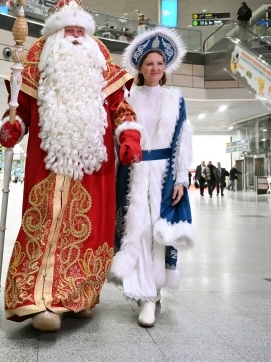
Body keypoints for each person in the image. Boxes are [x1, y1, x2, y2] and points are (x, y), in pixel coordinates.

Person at [0, 0, 142, 332]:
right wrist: (12, 127)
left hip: (95, 170)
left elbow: (122, 109)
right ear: (54, 35)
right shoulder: (36, 66)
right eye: (68, 29)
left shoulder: (103, 65)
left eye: (80, 29)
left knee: (92, 231)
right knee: (44, 226)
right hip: (48, 165)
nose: (75, 35)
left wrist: (130, 137)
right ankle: (43, 302)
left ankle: (81, 298)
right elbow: (20, 113)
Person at [109, 27, 194, 328]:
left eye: (159, 63)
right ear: (140, 68)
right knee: (137, 229)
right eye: (149, 64)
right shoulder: (127, 96)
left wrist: (182, 178)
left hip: (164, 175)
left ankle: (153, 292)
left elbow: (182, 139)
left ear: (165, 67)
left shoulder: (175, 99)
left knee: (158, 233)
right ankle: (143, 293)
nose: (155, 68)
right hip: (132, 173)